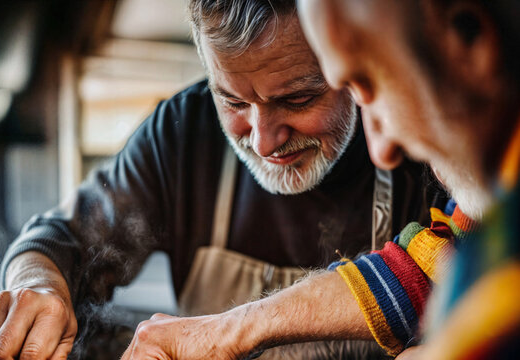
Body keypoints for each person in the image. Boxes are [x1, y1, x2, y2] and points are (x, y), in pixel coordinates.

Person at [0, 1, 442, 359]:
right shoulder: (183, 133)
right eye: (234, 102)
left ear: (351, 62)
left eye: (298, 99)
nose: (263, 142)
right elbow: (62, 238)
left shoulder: (426, 146)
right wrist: (37, 287)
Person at [117, 0, 520, 359]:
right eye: (234, 102)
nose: (382, 148)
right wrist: (228, 331)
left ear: (471, 40)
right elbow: (432, 264)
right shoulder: (493, 212)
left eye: (375, 84)